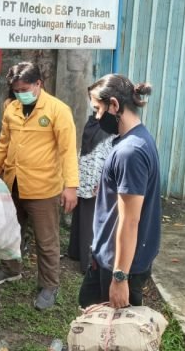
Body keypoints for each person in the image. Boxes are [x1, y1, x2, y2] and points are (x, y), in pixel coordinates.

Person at [0, 62, 79, 311]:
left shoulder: (58, 110)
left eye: (24, 89)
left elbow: (68, 151)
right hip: (13, 183)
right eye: (16, 90)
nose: (20, 94)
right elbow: (3, 144)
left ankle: (49, 285)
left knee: (46, 241)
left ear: (39, 84)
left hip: (43, 188)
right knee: (10, 231)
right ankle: (10, 269)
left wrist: (71, 186)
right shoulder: (12, 108)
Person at [78, 74, 161, 309]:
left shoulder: (130, 152)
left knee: (108, 328)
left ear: (114, 105)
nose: (97, 117)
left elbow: (130, 221)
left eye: (98, 109)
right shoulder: (136, 139)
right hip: (108, 257)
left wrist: (120, 277)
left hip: (119, 265)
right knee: (88, 309)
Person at [67, 114, 113, 273]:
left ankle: (88, 261)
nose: (95, 109)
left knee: (90, 217)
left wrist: (104, 179)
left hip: (97, 178)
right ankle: (80, 255)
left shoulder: (111, 125)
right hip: (85, 172)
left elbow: (110, 153)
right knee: (84, 215)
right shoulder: (93, 121)